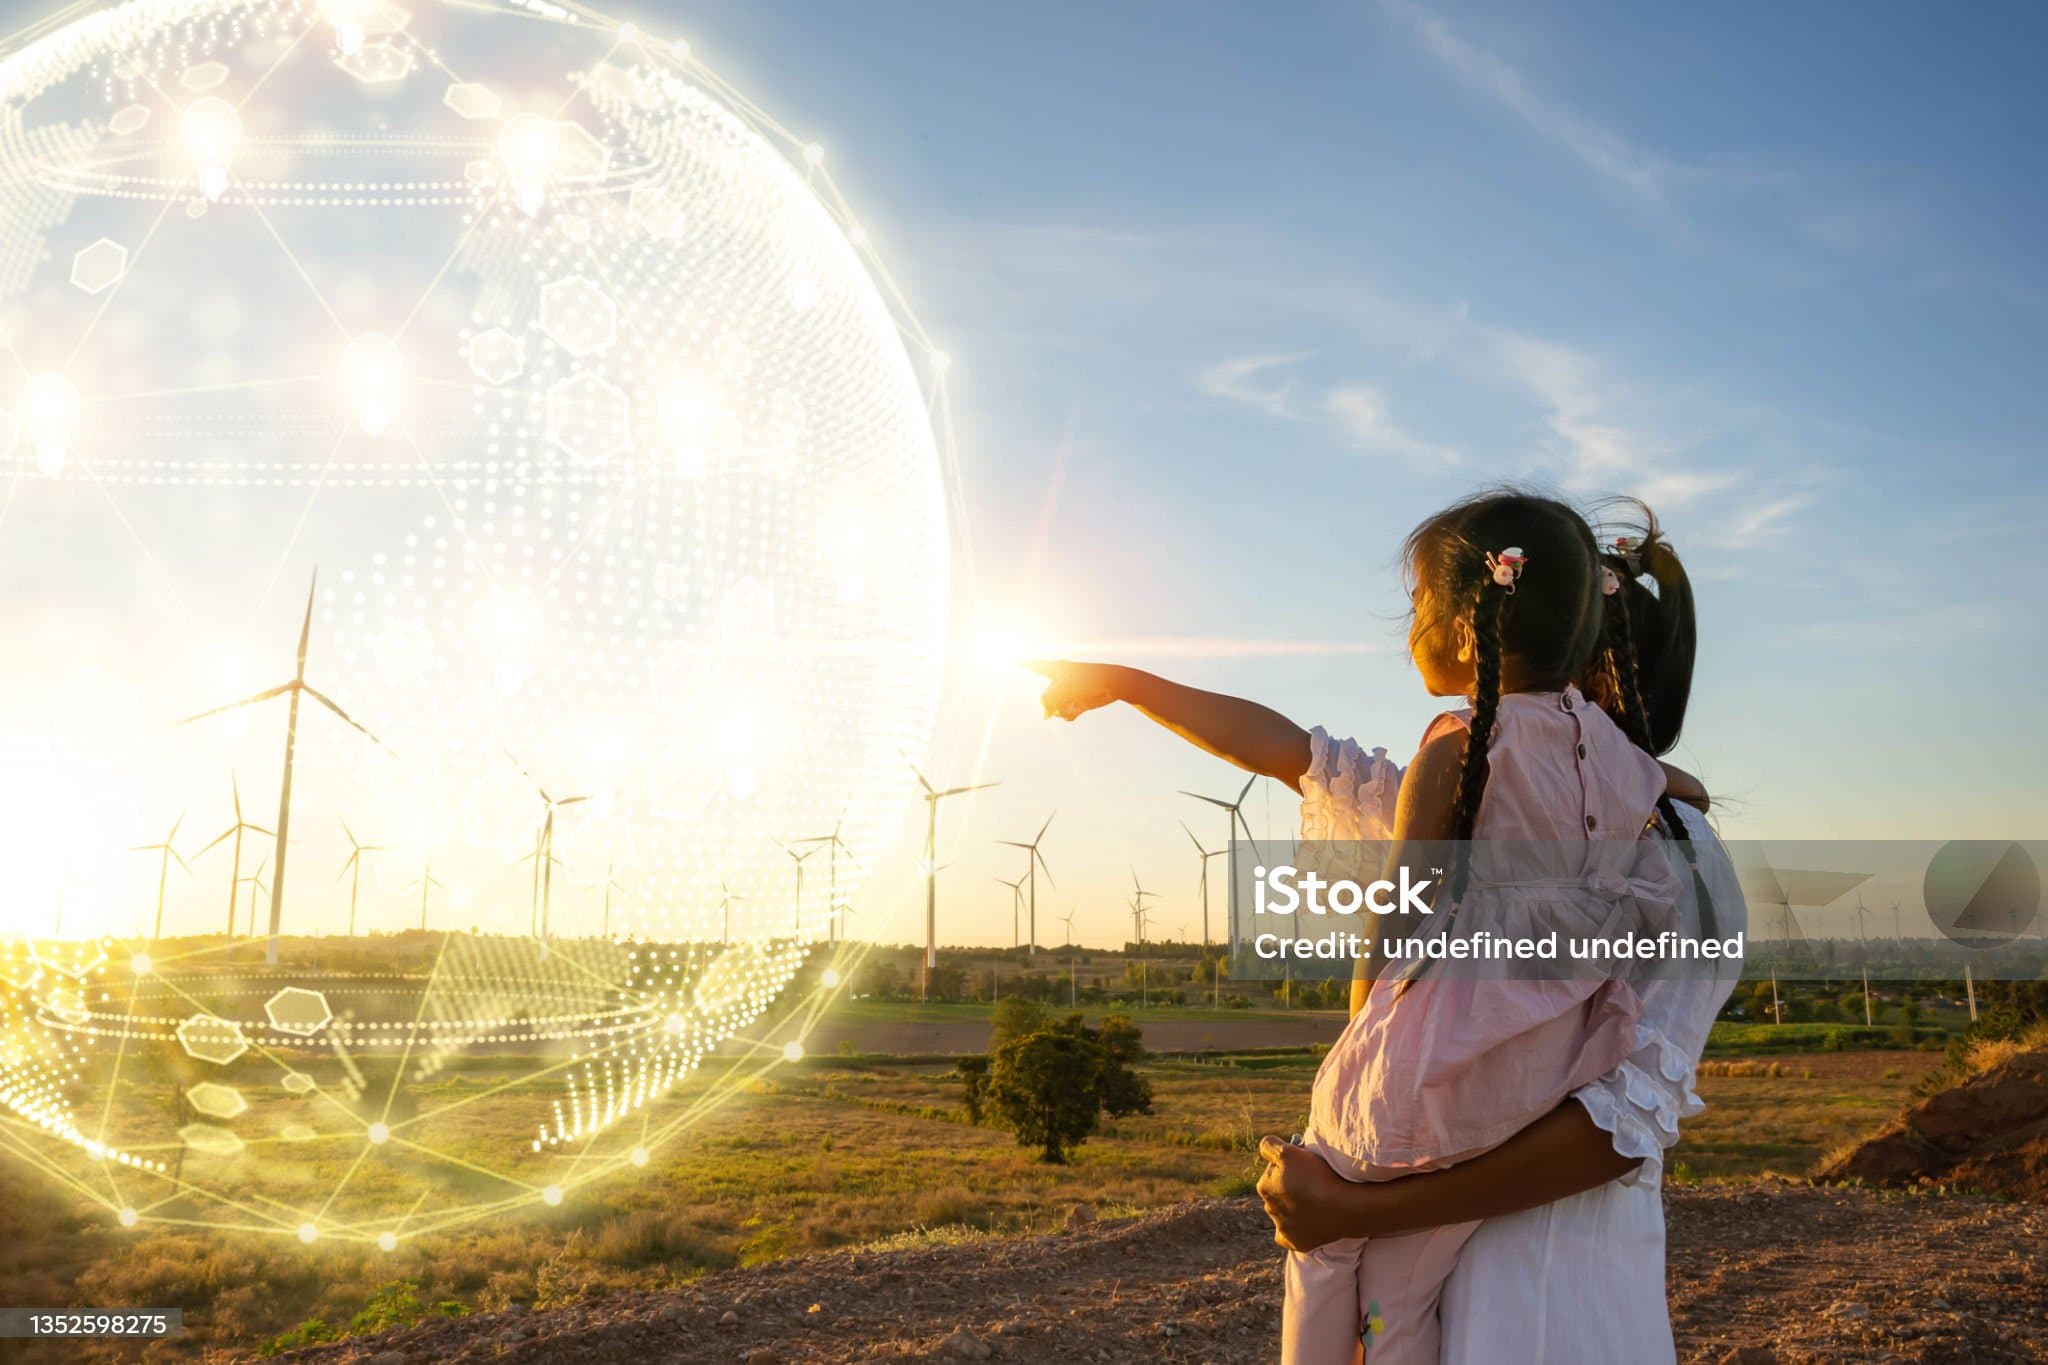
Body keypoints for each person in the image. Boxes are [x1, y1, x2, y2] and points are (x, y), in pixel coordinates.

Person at [1033, 489, 1715, 1362]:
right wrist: (1131, 686)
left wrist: (1356, 1062)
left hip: (1435, 1099)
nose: (1409, 625)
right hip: (1529, 1091)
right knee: (1394, 1295)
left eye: (1419, 604)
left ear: (1467, 628)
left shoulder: (1456, 755)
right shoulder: (1631, 786)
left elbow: (1391, 929)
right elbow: (1293, 752)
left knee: (1326, 1255)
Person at [1255, 505, 1746, 1363]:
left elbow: (1615, 1129)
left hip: (1547, 1309)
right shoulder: (1480, 796)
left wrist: (1355, 1203)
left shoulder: (1675, 854)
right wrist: (1127, 686)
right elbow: (1306, 756)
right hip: (1521, 1291)